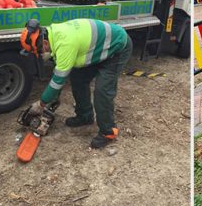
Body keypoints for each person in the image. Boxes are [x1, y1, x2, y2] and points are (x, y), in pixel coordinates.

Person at [20, 18, 133, 148]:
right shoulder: (54, 34)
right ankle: (85, 116)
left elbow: (58, 81)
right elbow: (59, 74)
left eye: (39, 52)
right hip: (98, 48)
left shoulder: (65, 43)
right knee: (78, 78)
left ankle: (108, 132)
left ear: (44, 43)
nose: (41, 55)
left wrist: (41, 104)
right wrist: (53, 97)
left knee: (102, 90)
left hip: (117, 47)